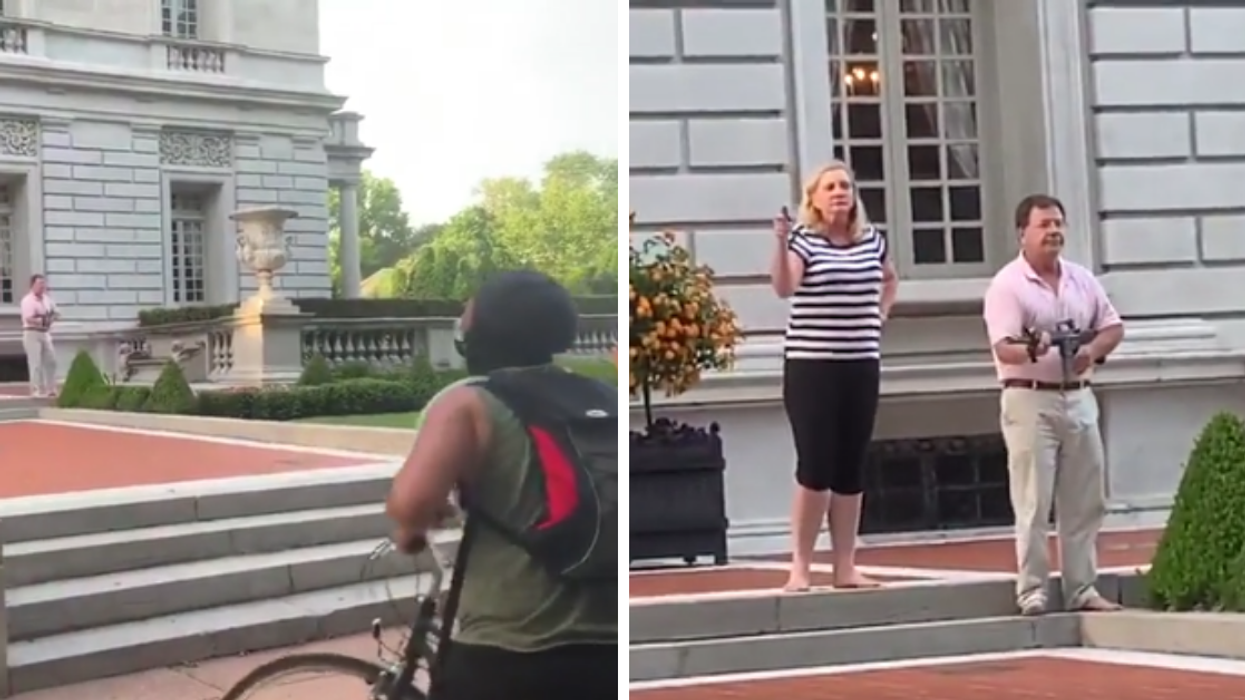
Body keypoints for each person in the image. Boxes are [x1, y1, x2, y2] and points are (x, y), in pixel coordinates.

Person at [384, 270, 617, 700]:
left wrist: (410, 534)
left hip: (509, 650)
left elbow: (410, 504)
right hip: (609, 650)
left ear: (487, 328)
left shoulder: (468, 401)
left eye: (468, 314)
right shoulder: (603, 396)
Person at [982, 194, 1125, 615]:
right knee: (1033, 499)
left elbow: (1113, 326)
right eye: (1044, 225)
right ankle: (1033, 590)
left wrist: (1091, 350)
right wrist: (1034, 347)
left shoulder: (1081, 279)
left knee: (1085, 499)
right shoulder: (1007, 285)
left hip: (1079, 396)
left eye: (1058, 223)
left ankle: (1083, 588)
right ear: (1022, 233)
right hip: (1030, 399)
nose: (1054, 232)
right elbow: (1003, 348)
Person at [769, 160, 898, 591]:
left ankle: (846, 565)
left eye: (845, 185)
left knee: (851, 466)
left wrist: (879, 315)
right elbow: (785, 287)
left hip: (860, 363)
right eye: (830, 187)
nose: (839, 192)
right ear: (814, 198)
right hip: (812, 366)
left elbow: (889, 279)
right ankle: (801, 566)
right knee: (816, 464)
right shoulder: (805, 241)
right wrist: (781, 243)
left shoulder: (871, 240)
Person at [20, 274, 59, 398]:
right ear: (32, 285)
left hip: (45, 332)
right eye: (39, 284)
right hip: (32, 332)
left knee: (51, 360)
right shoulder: (27, 300)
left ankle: (51, 388)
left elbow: (56, 312)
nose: (42, 286)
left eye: (43, 283)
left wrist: (52, 318)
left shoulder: (47, 299)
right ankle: (35, 389)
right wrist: (42, 320)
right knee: (35, 362)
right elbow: (29, 318)